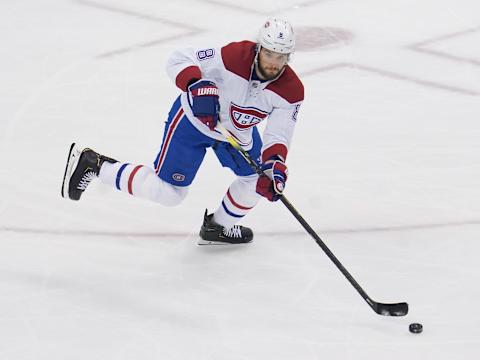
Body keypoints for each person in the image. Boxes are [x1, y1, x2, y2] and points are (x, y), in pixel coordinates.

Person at [61, 17, 304, 245]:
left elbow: (279, 134)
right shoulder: (232, 57)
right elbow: (179, 59)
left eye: (281, 57)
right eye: (269, 53)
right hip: (193, 123)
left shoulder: (291, 92)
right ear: (259, 48)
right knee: (169, 193)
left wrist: (274, 166)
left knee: (258, 179)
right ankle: (95, 166)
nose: (273, 62)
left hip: (236, 135)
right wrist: (195, 84)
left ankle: (217, 228)